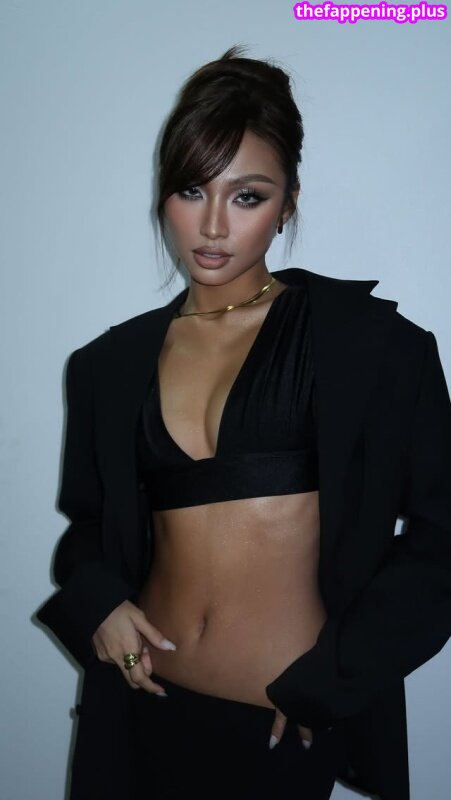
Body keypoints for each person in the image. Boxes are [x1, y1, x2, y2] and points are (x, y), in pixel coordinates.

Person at [36, 46, 451, 800]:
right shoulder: (107, 364)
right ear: (163, 193)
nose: (213, 225)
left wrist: (337, 679)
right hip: (138, 707)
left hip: (281, 725)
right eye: (192, 189)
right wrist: (98, 605)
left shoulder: (374, 348)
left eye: (248, 196)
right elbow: (90, 528)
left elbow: (442, 539)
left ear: (288, 203)